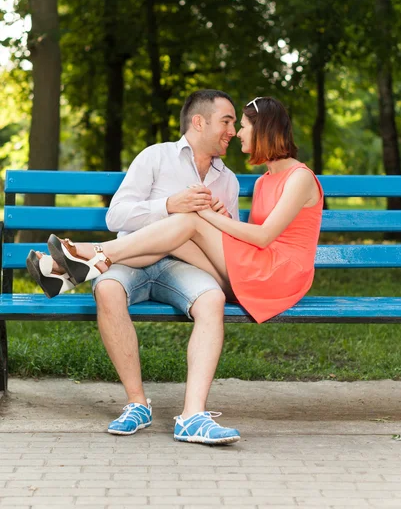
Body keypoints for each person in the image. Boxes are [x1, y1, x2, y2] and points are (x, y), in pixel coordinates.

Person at [28, 95, 324, 441]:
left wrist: (207, 214)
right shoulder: (242, 177)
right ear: (200, 123)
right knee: (179, 231)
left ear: (264, 129)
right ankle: (87, 267)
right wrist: (179, 207)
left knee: (189, 224)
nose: (236, 132)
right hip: (197, 260)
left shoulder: (277, 178)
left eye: (240, 125)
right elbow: (119, 216)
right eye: (228, 123)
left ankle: (86, 257)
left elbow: (258, 237)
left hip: (273, 274)